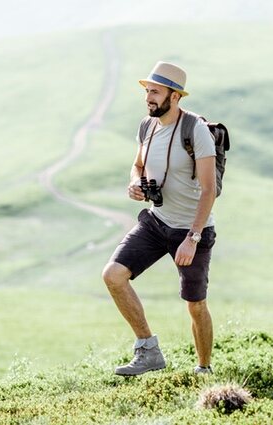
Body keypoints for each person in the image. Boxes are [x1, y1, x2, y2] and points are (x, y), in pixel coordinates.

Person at [102, 61, 218, 376]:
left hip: (192, 229)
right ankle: (148, 351)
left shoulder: (195, 130)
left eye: (155, 91)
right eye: (147, 91)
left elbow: (209, 190)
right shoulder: (147, 126)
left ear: (175, 96)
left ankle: (204, 368)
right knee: (113, 276)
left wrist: (192, 239)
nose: (148, 97)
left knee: (195, 305)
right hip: (156, 221)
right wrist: (134, 181)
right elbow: (137, 164)